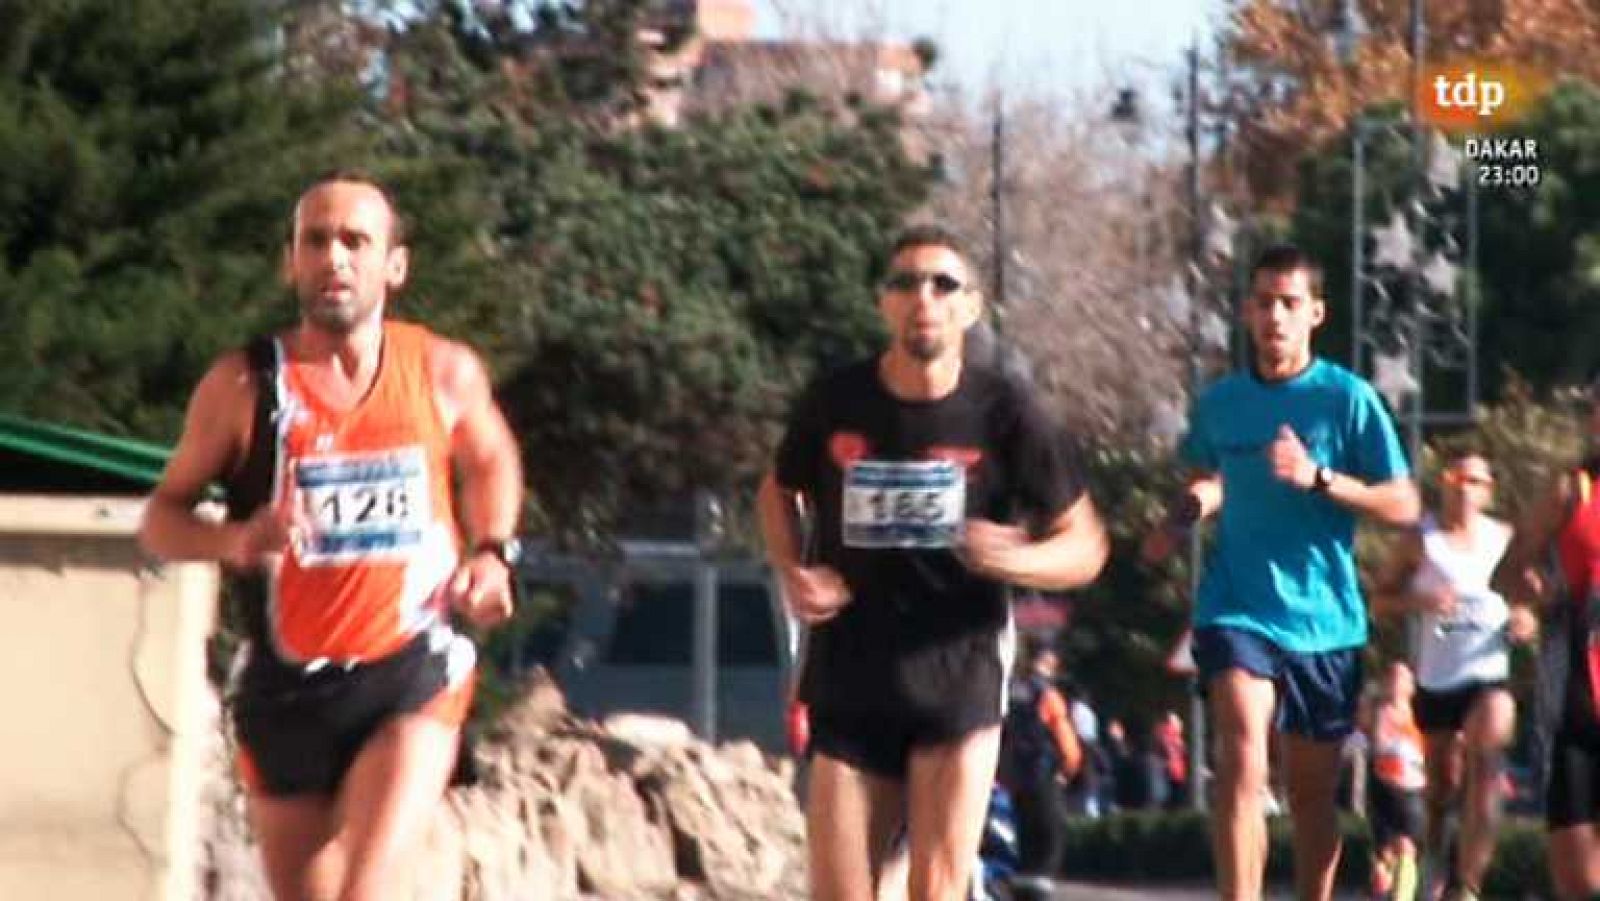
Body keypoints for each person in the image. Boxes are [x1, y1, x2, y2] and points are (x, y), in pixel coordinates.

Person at [138, 171, 524, 901]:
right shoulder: (245, 388)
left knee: (365, 891)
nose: (334, 258)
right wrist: (237, 540)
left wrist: (493, 551)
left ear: (394, 265)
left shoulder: (442, 372)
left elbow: (492, 457)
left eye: (355, 241)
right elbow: (162, 519)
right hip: (287, 689)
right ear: (291, 263)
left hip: (410, 669)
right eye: (315, 241)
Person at [756, 223, 1109, 901]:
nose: (924, 296)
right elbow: (777, 489)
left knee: (935, 887)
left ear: (971, 306)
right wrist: (792, 567)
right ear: (883, 304)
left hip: (959, 669)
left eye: (944, 283)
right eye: (905, 282)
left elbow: (1085, 545)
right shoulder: (837, 400)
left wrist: (1016, 558)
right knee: (836, 890)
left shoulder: (1009, 413)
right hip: (851, 669)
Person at [1142, 243, 1419, 901]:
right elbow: (1211, 474)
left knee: (1312, 799)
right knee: (1240, 753)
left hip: (1325, 620)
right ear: (1247, 310)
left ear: (1314, 312)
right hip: (1237, 605)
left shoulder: (1346, 398)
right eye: (1264, 301)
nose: (1275, 316)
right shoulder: (1222, 402)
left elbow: (1403, 501)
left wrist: (1320, 477)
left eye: (1289, 303)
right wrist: (1185, 510)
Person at [1370, 450, 1537, 900]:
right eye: (1455, 476)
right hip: (1437, 679)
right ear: (1442, 484)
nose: (1463, 486)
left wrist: (1525, 620)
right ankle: (1434, 861)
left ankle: (1467, 886)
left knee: (1486, 760)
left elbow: (1527, 599)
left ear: (1488, 491)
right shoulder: (1419, 539)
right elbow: (1378, 600)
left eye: (1474, 480)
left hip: (1488, 674)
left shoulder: (1506, 538)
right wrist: (1417, 603)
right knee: (1441, 790)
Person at [1492, 381, 1600, 900]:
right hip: (1576, 702)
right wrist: (1535, 590)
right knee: (1578, 882)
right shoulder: (1571, 490)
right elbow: (1507, 572)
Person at [999, 643, 1080, 890]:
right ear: (1050, 664)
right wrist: (1067, 771)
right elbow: (1067, 745)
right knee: (1049, 835)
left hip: (1012, 779)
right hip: (1044, 777)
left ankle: (1019, 884)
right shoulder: (1048, 696)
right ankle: (1038, 887)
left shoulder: (1009, 691)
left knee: (1022, 834)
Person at [1364, 661, 1427, 901]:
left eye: (1401, 678)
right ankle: (1381, 887)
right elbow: (1374, 740)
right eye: (1391, 676)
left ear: (1411, 686)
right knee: (1383, 854)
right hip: (1382, 786)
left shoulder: (1419, 715)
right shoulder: (1378, 711)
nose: (1395, 682)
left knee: (1406, 845)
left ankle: (1402, 896)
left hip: (1411, 789)